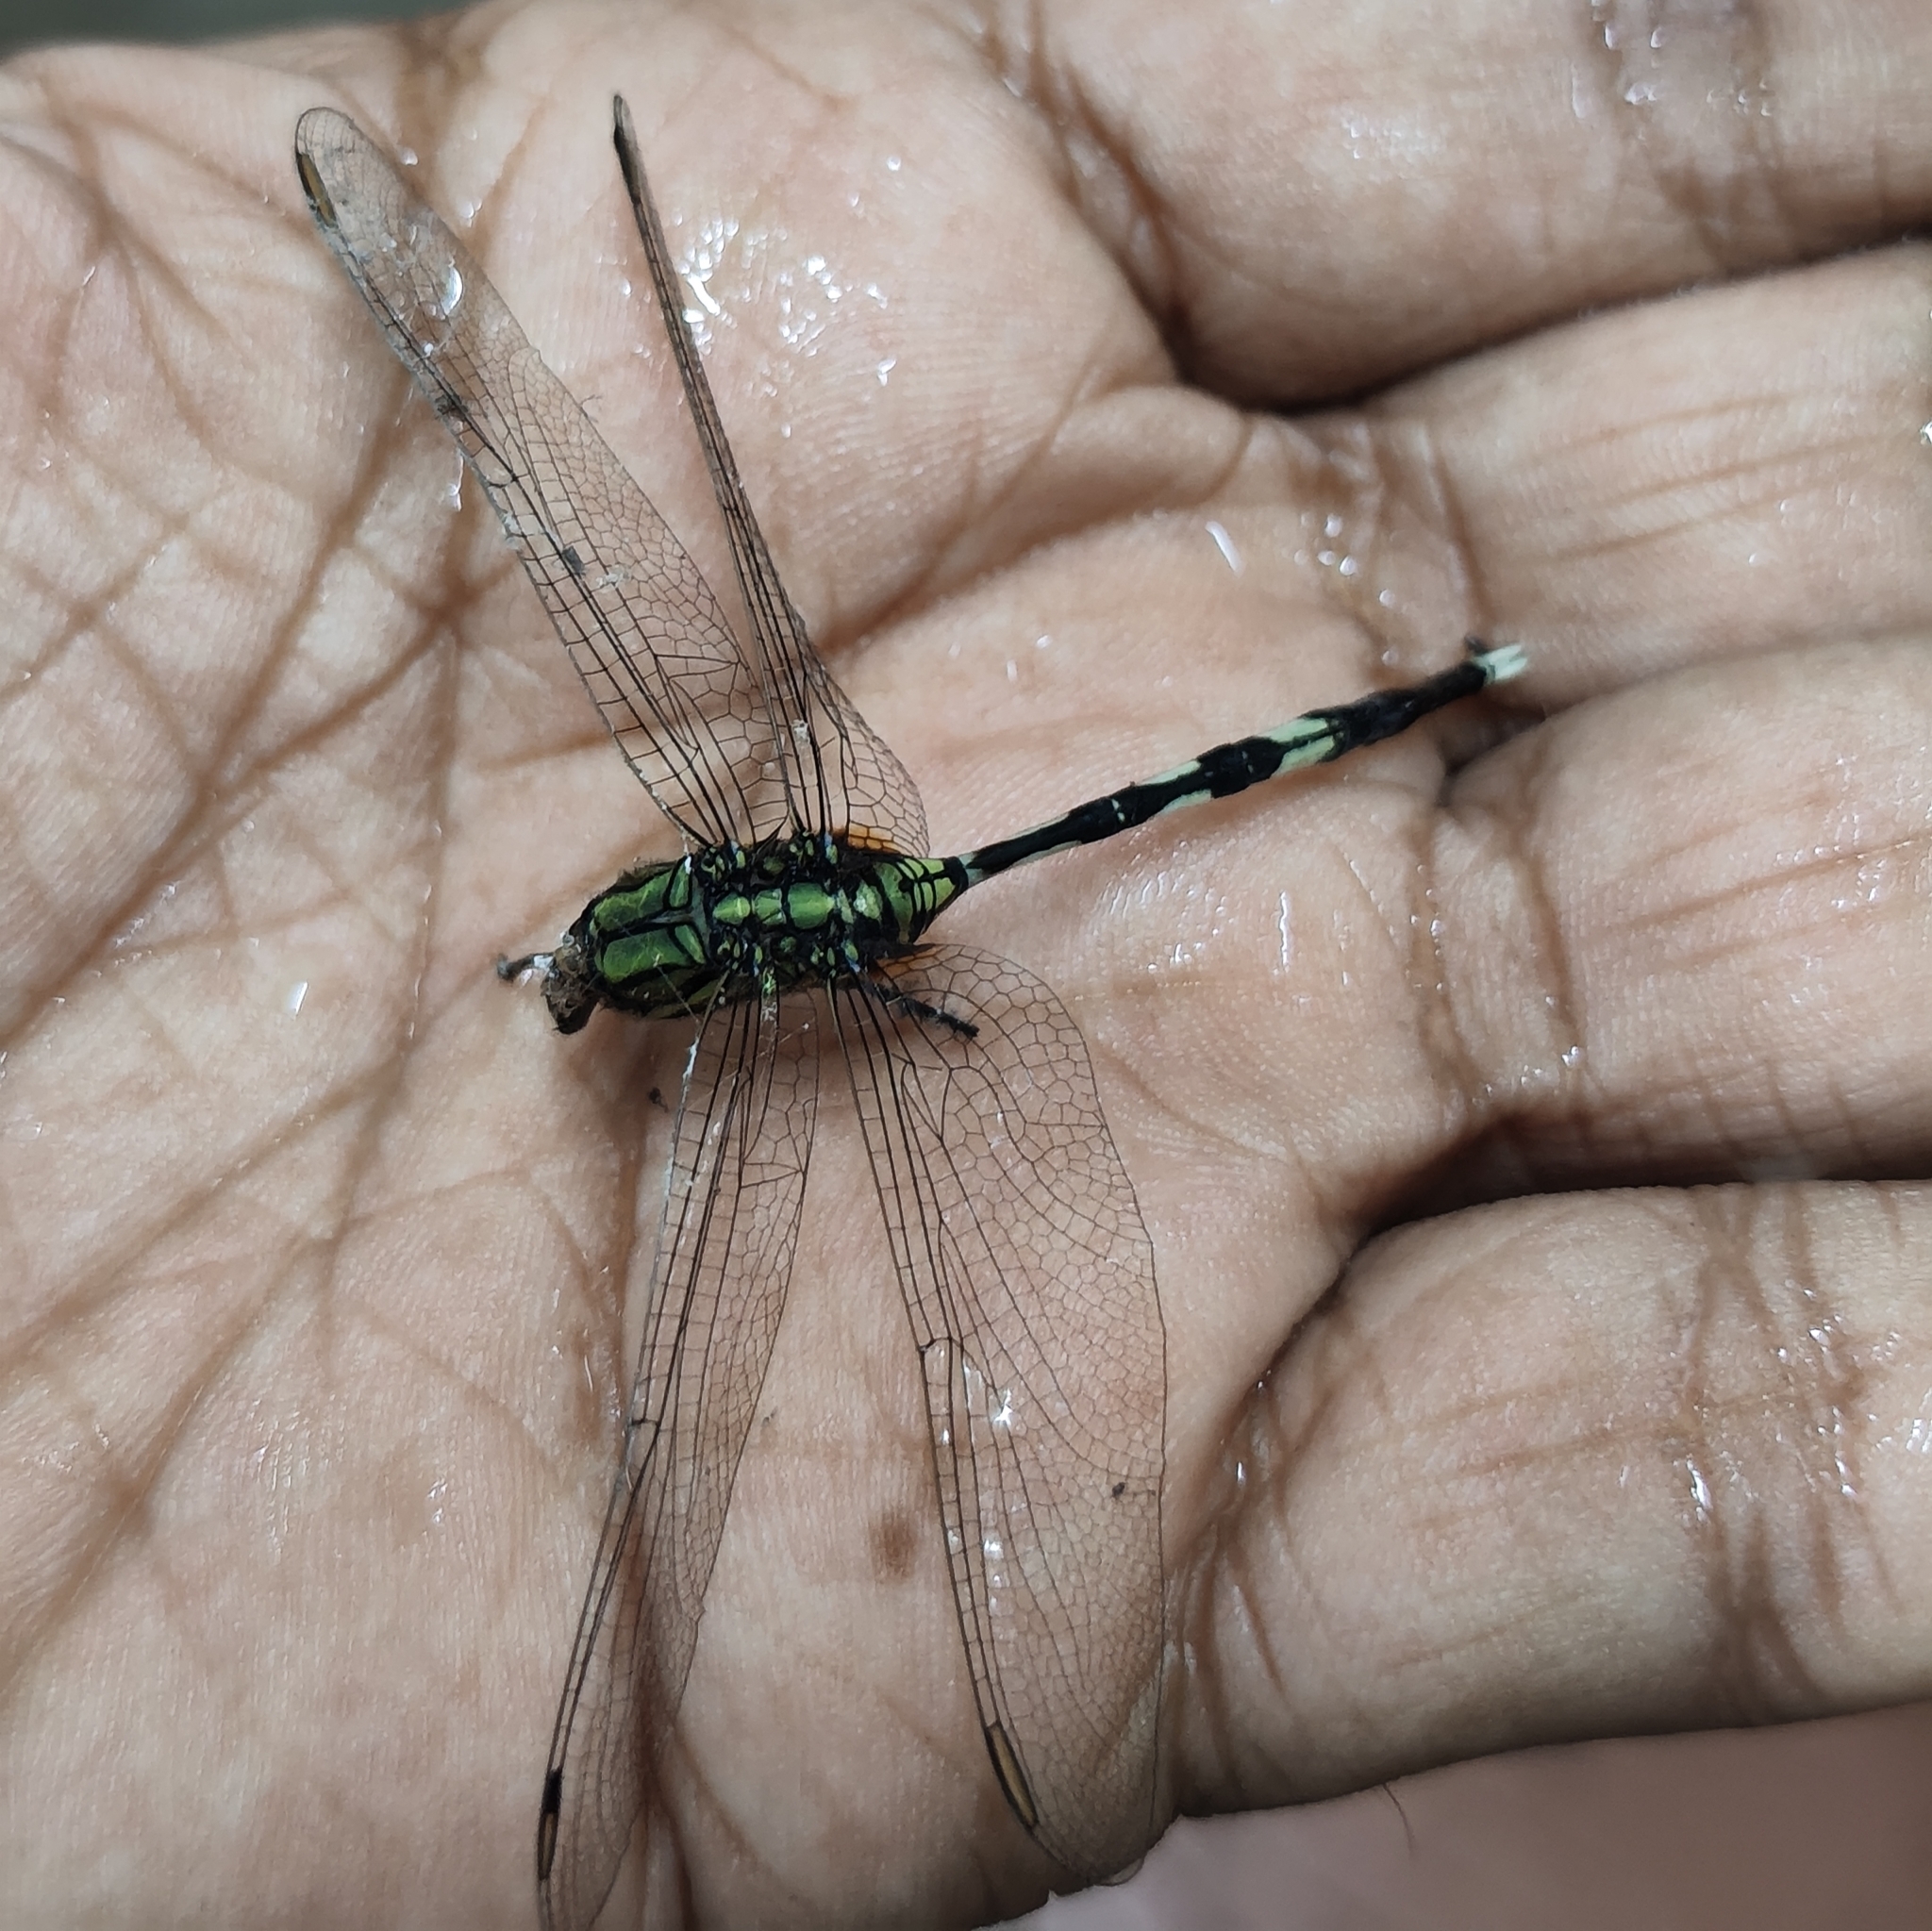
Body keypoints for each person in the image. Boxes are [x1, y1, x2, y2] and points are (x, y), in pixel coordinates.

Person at [3, 2, 1928, 1924]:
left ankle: (1450, 685)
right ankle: (1464, 683)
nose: (592, 963)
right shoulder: (707, 912)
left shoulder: (731, 1033)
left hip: (881, 916)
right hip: (858, 905)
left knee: (1128, 829)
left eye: (600, 956)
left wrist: (868, 997)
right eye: (600, 958)